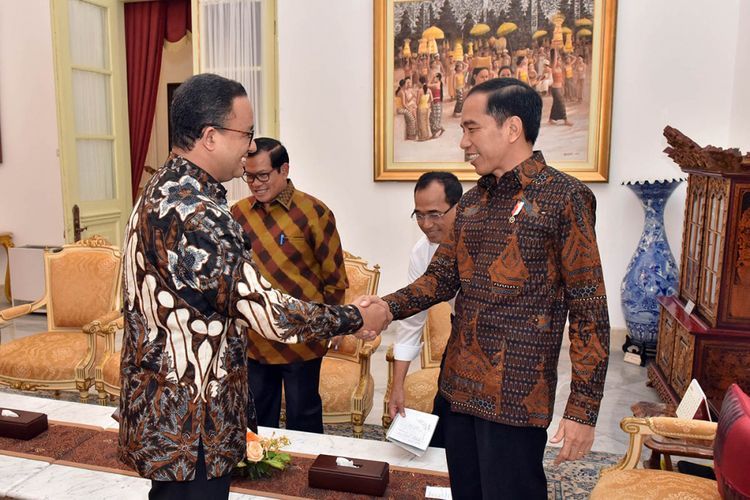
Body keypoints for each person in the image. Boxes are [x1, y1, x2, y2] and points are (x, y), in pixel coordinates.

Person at [118, 73, 390, 500]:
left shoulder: (159, 188)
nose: (249, 147)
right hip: (193, 421)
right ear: (210, 136)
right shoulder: (197, 213)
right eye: (244, 133)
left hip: (166, 408)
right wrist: (356, 317)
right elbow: (270, 312)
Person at [366, 78, 610, 499]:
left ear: (511, 128)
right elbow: (438, 279)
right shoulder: (474, 203)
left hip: (517, 399)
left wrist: (582, 410)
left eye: (471, 128)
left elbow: (589, 308)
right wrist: (383, 309)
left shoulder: (565, 198)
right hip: (458, 389)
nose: (462, 142)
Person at [231, 138, 347, 435]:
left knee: (304, 414)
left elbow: (333, 275)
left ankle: (307, 476)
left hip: (303, 336)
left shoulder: (314, 212)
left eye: (262, 175)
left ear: (284, 169)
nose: (255, 183)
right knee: (257, 415)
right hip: (256, 337)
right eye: (249, 175)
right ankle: (260, 477)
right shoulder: (238, 214)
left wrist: (333, 324)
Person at [388, 172, 463, 448]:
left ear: (459, 207)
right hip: (460, 339)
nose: (426, 224)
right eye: (419, 215)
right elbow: (412, 320)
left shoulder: (483, 242)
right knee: (444, 426)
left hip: (500, 345)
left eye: (435, 214)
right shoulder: (422, 251)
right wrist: (397, 387)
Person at [549, 49, 572, 125]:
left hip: (559, 88)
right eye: (558, 60)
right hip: (555, 89)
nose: (559, 61)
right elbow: (555, 59)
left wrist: (563, 86)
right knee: (561, 103)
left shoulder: (560, 68)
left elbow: (562, 78)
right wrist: (555, 50)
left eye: (560, 60)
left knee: (556, 103)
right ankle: (565, 120)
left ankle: (551, 119)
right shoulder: (554, 68)